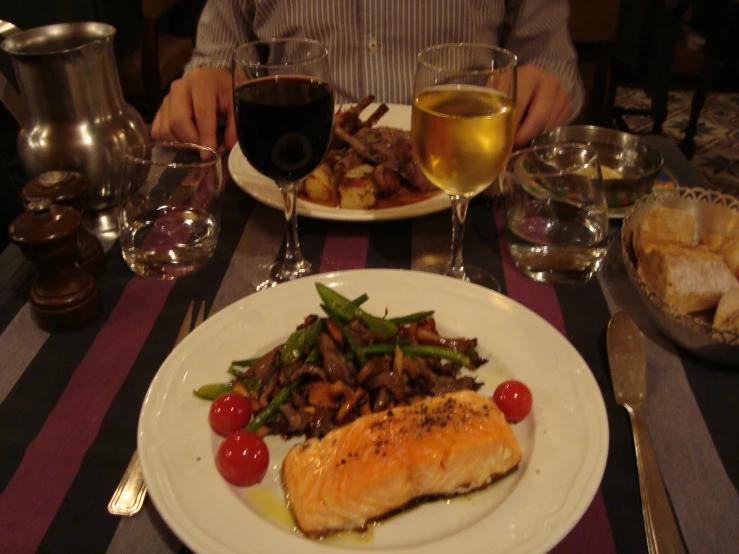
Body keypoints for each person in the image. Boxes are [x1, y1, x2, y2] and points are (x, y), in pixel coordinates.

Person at [152, 0, 584, 152]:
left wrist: (544, 83)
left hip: (465, 183)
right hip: (287, 186)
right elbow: (216, 60)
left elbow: (551, 59)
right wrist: (205, 85)